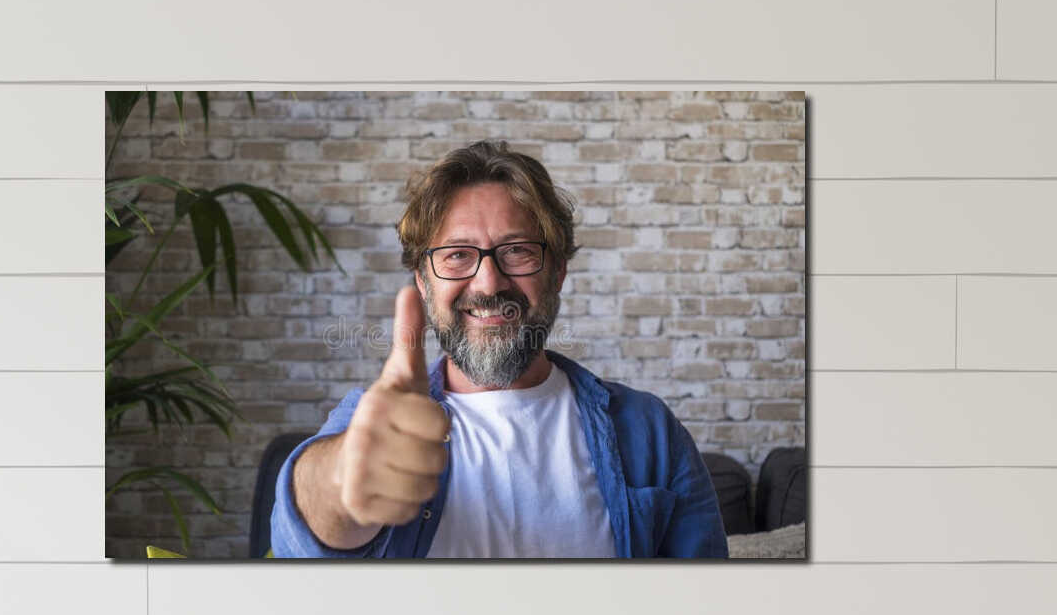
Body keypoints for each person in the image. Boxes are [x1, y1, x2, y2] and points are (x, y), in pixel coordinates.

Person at [269, 139, 728, 560]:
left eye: (517, 251)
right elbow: (302, 532)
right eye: (457, 255)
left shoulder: (649, 431)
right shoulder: (380, 420)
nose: (489, 283)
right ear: (423, 283)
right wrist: (342, 476)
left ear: (558, 271)